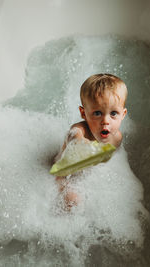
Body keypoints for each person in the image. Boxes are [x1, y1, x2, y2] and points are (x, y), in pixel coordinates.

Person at [55, 73, 128, 210]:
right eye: (97, 113)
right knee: (73, 201)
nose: (105, 121)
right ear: (83, 113)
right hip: (63, 174)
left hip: (88, 174)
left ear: (123, 114)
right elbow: (74, 136)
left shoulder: (117, 137)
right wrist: (81, 143)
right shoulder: (81, 129)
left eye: (113, 113)